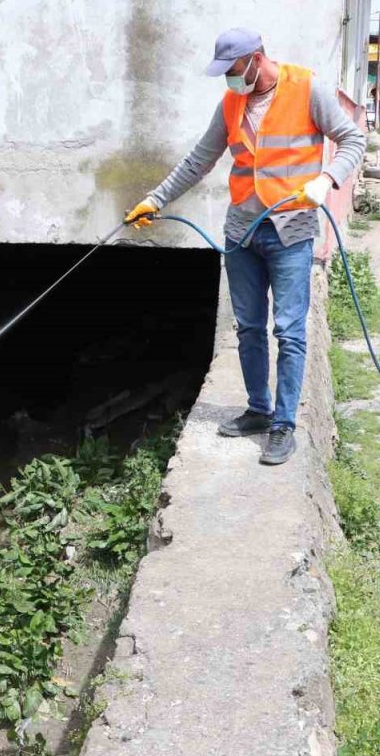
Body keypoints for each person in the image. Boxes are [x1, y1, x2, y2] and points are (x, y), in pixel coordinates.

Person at [125, 28, 365, 466]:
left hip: (291, 229)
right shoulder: (232, 102)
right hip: (242, 231)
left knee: (289, 331)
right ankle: (259, 409)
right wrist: (154, 198)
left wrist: (326, 179)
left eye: (233, 71)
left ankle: (284, 425)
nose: (229, 81)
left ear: (256, 58)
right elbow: (199, 159)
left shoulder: (307, 88)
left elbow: (353, 140)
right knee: (249, 328)